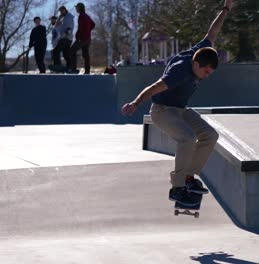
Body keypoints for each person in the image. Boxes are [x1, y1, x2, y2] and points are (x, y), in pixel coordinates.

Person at [121, 0, 234, 206]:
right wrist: (136, 103)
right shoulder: (179, 72)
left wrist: (226, 8)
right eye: (205, 72)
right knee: (187, 138)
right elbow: (155, 87)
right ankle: (177, 188)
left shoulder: (202, 51)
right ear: (196, 64)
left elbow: (212, 33)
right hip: (162, 111)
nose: (206, 76)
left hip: (180, 110)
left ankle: (189, 177)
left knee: (210, 135)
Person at [69, 2, 95, 74]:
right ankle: (87, 71)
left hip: (82, 39)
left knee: (72, 50)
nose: (76, 9)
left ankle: (73, 69)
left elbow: (80, 28)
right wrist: (88, 31)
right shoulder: (86, 16)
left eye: (76, 7)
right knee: (85, 54)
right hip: (88, 39)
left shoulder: (81, 16)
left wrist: (78, 35)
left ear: (80, 8)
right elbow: (93, 24)